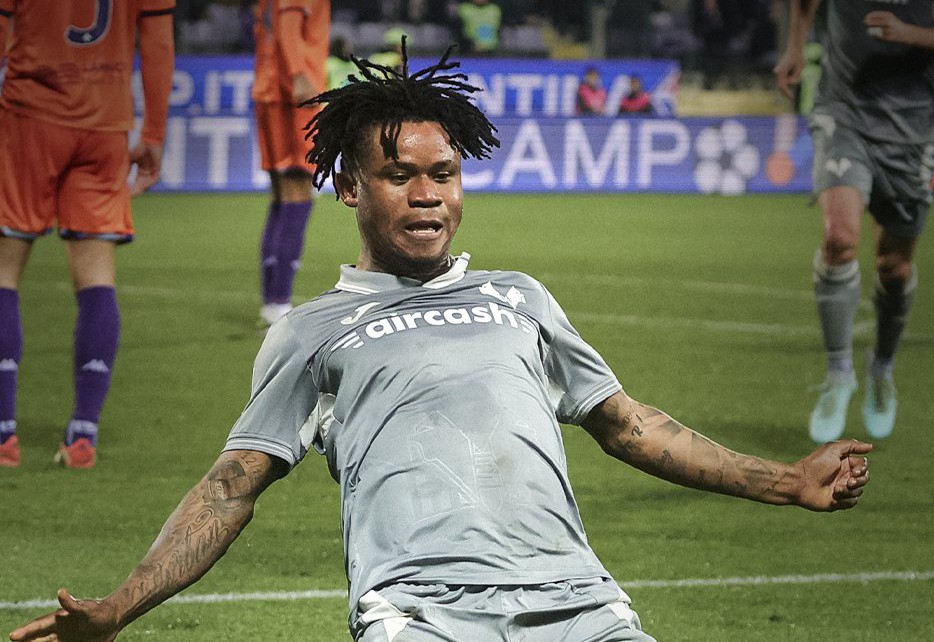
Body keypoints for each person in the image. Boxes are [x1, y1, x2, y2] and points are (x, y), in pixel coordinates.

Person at [9, 45, 872, 642]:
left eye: (444, 174)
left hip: (581, 605)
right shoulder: (311, 331)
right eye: (400, 175)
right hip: (421, 615)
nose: (428, 195)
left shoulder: (519, 297)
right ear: (349, 187)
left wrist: (789, 481)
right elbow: (230, 488)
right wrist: (120, 607)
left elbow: (630, 426)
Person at [774, 0, 934, 444]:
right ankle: (838, 374)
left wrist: (910, 33)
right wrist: (796, 45)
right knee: (839, 239)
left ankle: (881, 367)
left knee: (895, 267)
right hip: (842, 109)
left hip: (911, 125)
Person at [0, 0, 175, 469]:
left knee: (4, 271)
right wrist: (154, 133)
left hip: (28, 117)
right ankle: (83, 435)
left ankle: (4, 435)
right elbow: (158, 42)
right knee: (97, 277)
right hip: (105, 124)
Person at [253, 0, 331, 327]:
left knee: (283, 197)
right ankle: (279, 302)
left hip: (270, 88)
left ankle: (272, 300)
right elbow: (288, 25)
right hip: (291, 95)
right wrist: (299, 75)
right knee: (299, 194)